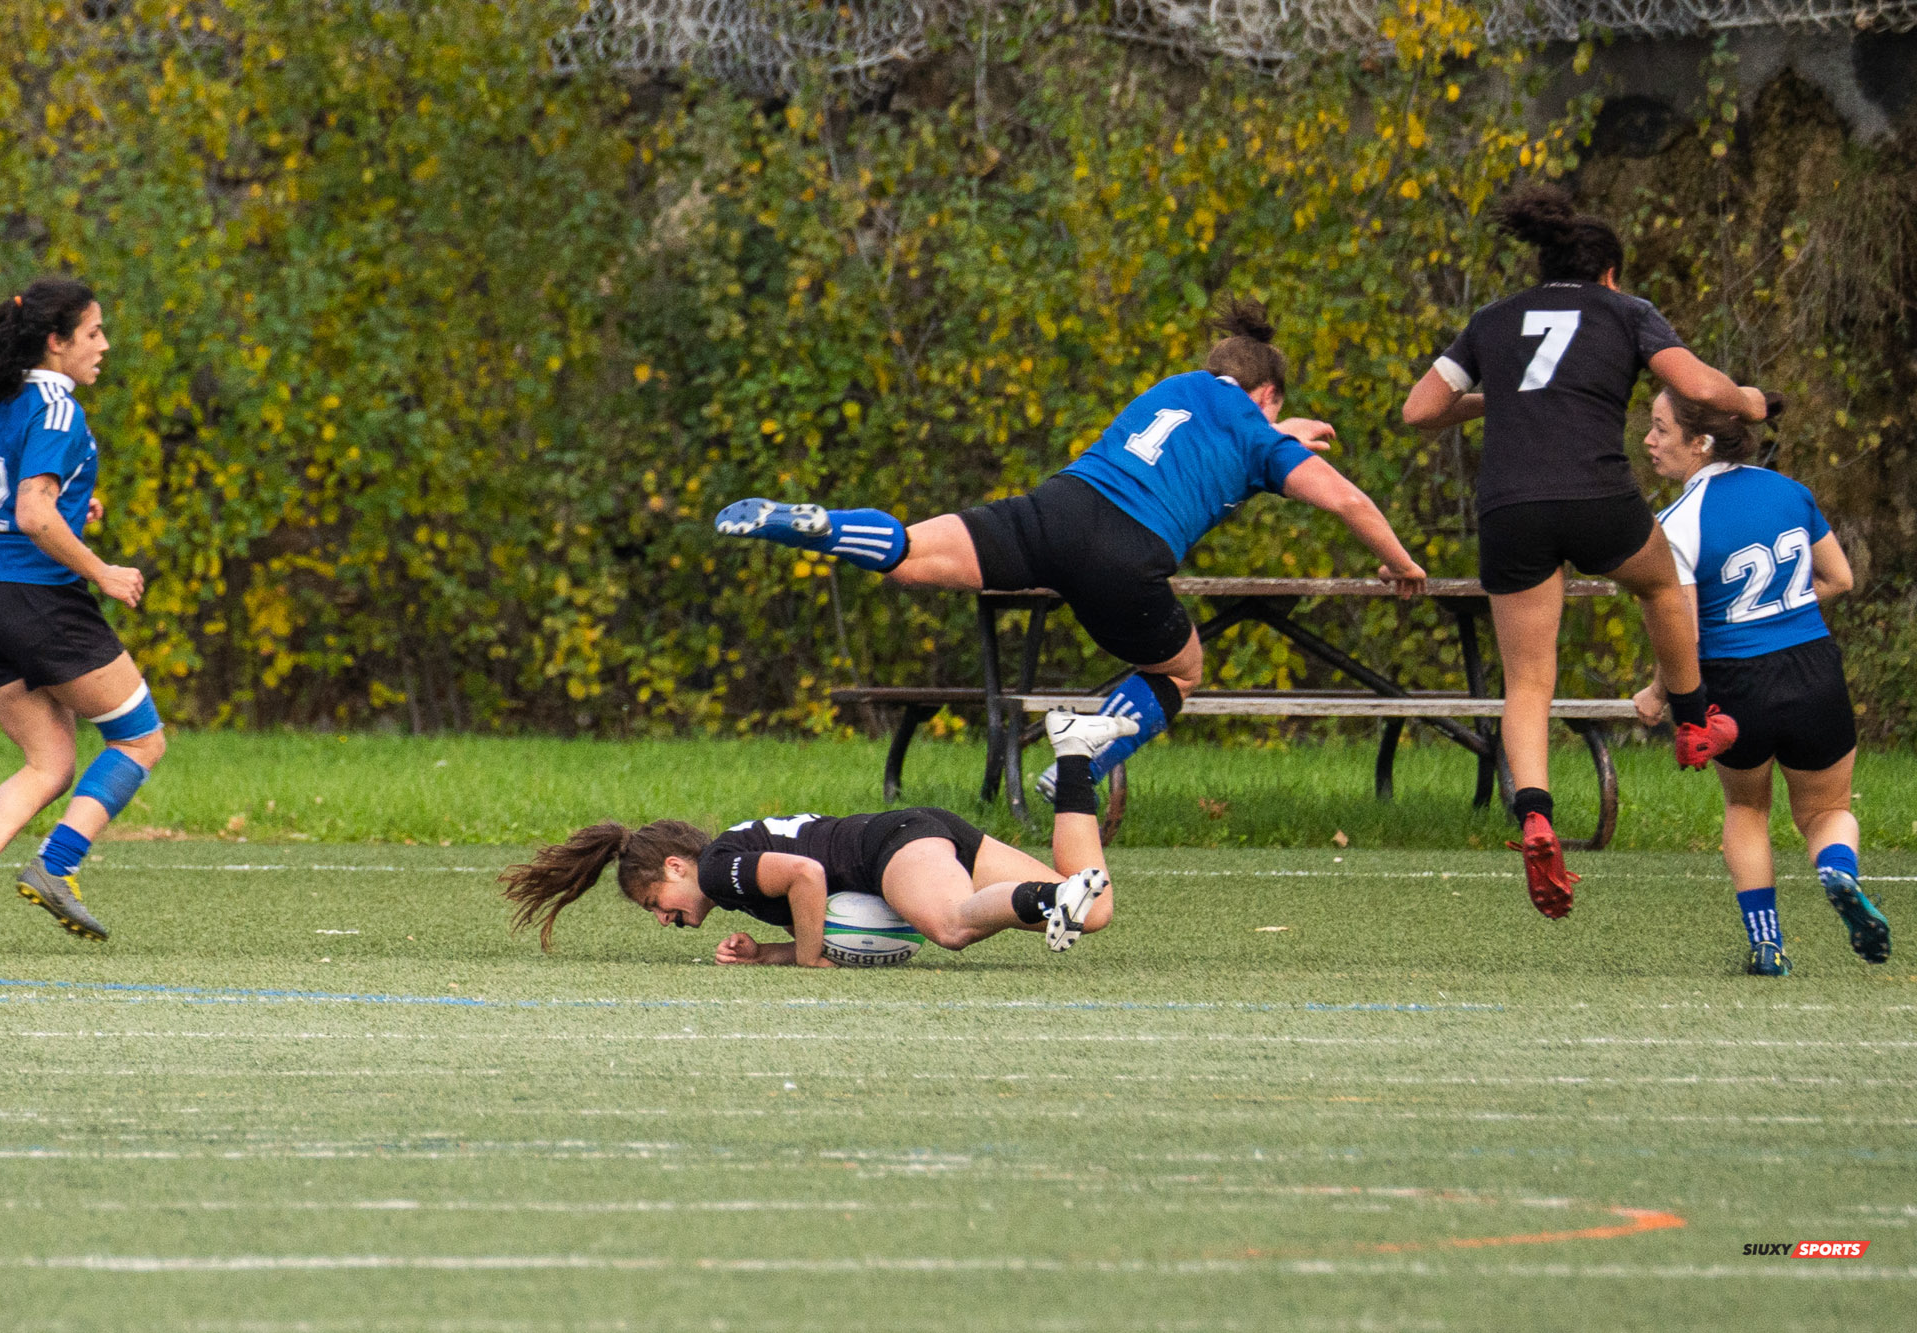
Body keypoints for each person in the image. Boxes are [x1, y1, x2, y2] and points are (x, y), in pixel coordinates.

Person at [714, 296, 1428, 796]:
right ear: (1269, 393)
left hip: (1056, 508)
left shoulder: (1175, 388)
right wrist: (1402, 563)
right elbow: (1347, 499)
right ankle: (1084, 751)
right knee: (1180, 671)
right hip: (1127, 550)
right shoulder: (1257, 431)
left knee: (909, 550)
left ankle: (816, 523)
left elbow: (1223, 429)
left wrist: (1276, 433)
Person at [1401, 185, 1773, 921]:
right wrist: (1752, 402)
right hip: (1595, 496)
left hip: (1510, 510)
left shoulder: (1492, 320)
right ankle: (1694, 719)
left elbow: (1420, 411)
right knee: (1662, 585)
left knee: (1529, 681)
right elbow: (1698, 385)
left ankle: (1536, 814)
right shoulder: (1626, 312)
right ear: (1609, 273)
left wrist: (1500, 395)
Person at [501, 711, 1136, 965]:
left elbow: (809, 879)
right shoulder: (731, 866)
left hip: (890, 846)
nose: (666, 920)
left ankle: (1048, 900)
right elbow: (821, 915)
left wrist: (807, 964)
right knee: (1096, 910)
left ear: (675, 866)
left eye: (655, 905)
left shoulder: (719, 867)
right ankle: (1075, 749)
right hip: (916, 830)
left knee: (950, 926)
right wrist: (769, 957)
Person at [0, 278, 165, 952]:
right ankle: (55, 867)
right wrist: (103, 570)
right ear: (56, 342)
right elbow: (32, 511)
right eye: (93, 333)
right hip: (43, 600)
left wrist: (58, 506)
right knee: (141, 739)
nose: (104, 345)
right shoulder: (58, 409)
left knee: (49, 761)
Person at [1632, 389, 1888, 976]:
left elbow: (1683, 633)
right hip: (1813, 667)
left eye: (1661, 429)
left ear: (1700, 443)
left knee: (1746, 807)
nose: (1649, 441)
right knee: (1827, 811)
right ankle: (1839, 869)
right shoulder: (1790, 491)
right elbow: (1840, 579)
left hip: (1735, 682)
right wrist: (1783, 610)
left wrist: (1657, 692)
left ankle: (1768, 945)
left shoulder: (1674, 524)